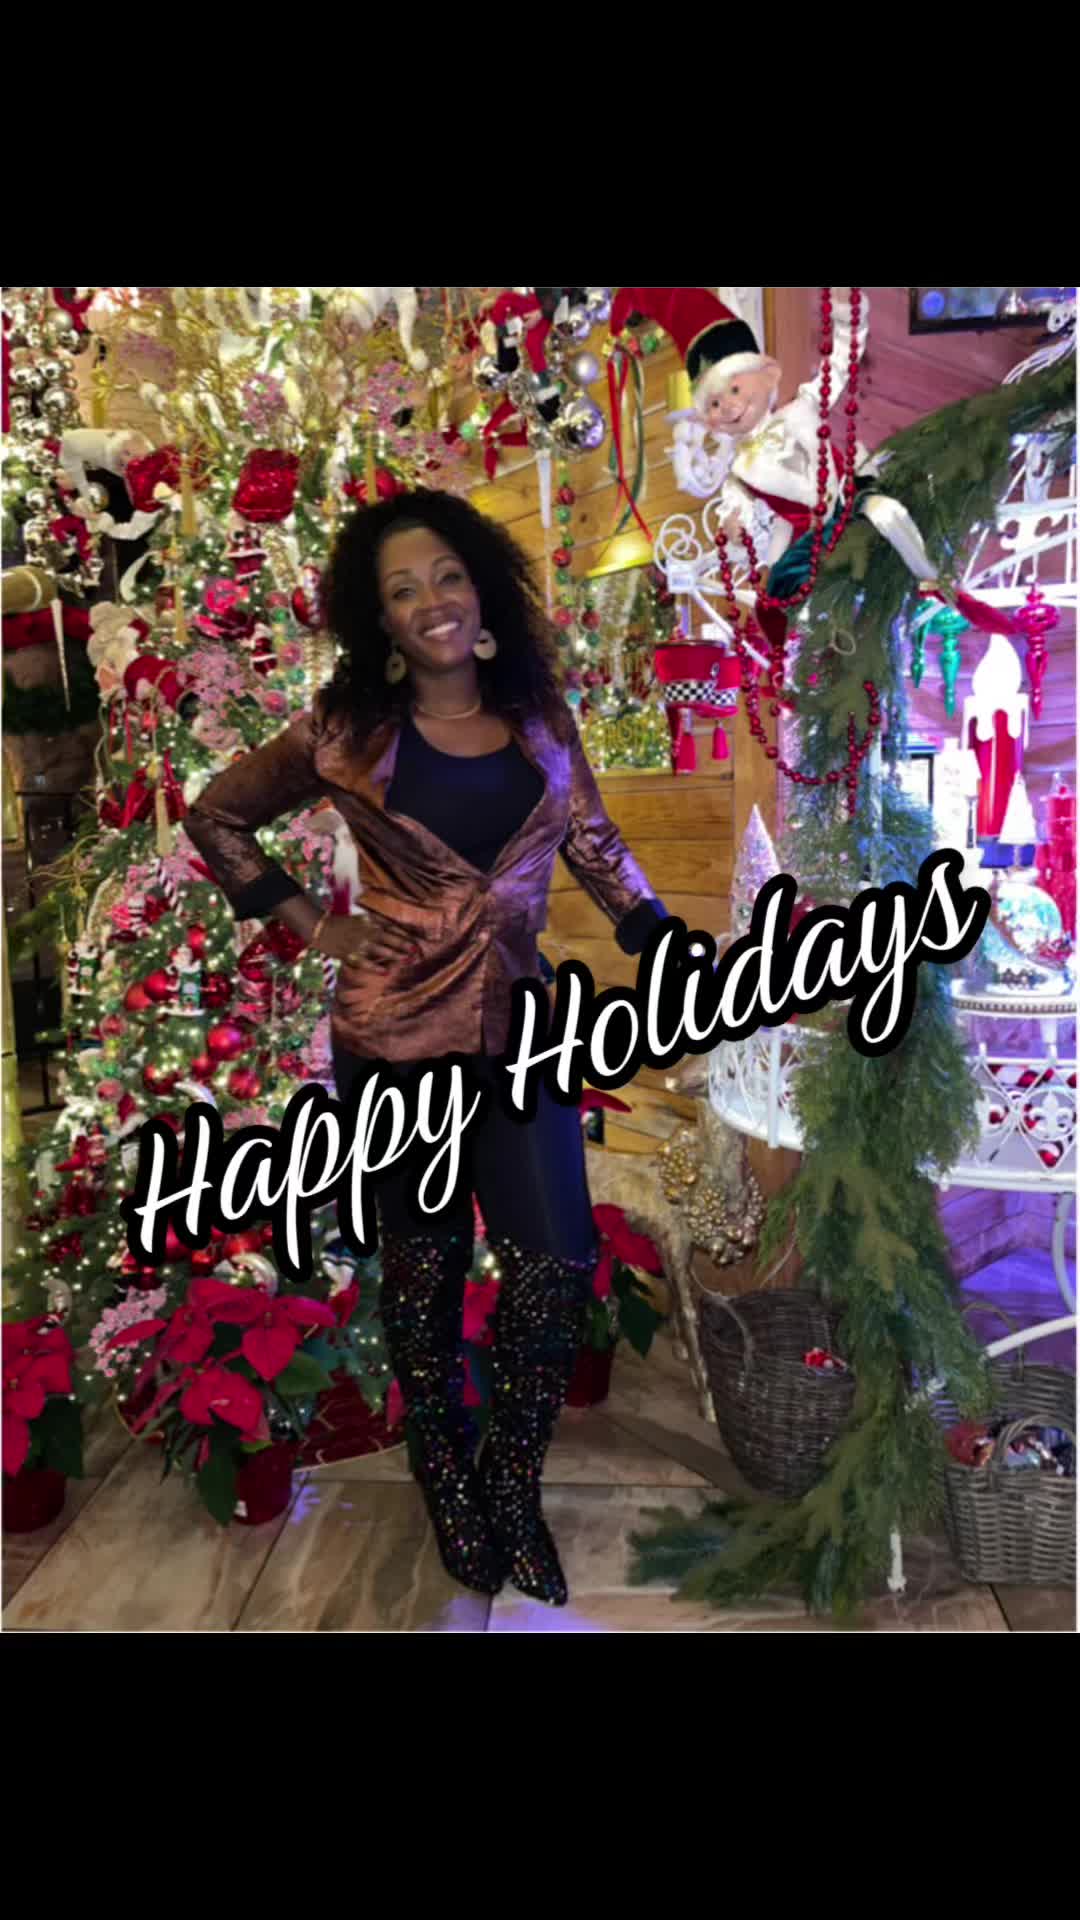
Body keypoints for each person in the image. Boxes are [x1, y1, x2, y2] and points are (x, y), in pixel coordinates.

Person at [185, 489, 667, 1606]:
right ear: (382, 620)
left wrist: (662, 937)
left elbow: (593, 840)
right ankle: (446, 1478)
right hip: (396, 1032)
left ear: (482, 587)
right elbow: (216, 814)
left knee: (555, 1260)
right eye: (402, 590)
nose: (433, 601)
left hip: (521, 1025)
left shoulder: (540, 715)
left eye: (447, 574)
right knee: (425, 1264)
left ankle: (511, 1485)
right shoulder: (344, 729)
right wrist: (309, 922)